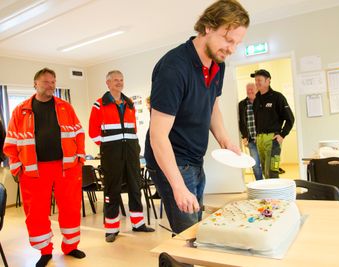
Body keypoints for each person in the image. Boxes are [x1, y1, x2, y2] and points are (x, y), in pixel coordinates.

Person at [144, 0, 249, 234]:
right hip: (170, 158)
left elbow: (212, 107)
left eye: (237, 43)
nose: (232, 49)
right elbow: (158, 137)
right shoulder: (174, 68)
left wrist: (226, 141)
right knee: (190, 234)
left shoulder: (217, 64)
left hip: (194, 157)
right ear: (208, 27)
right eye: (228, 39)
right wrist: (178, 187)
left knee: (195, 227)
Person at [3, 68, 86, 267]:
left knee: (70, 208)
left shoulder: (65, 107)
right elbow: (10, 143)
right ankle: (45, 251)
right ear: (35, 84)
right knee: (36, 213)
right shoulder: (20, 110)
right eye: (46, 81)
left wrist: (80, 159)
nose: (51, 85)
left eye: (53, 81)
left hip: (66, 168)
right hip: (34, 171)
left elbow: (79, 133)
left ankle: (71, 246)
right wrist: (17, 168)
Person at [89, 70, 154, 243]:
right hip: (112, 153)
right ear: (108, 83)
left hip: (131, 151)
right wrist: (108, 147)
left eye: (121, 80)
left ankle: (138, 223)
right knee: (112, 190)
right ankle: (111, 229)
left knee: (135, 186)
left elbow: (133, 129)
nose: (119, 83)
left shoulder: (129, 103)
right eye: (115, 80)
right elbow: (93, 132)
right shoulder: (99, 104)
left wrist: (132, 146)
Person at [251, 69, 295, 179]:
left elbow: (290, 119)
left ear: (268, 81)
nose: (257, 83)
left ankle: (276, 196)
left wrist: (282, 135)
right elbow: (257, 120)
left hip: (272, 139)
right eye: (256, 80)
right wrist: (257, 135)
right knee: (265, 172)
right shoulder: (257, 99)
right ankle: (268, 196)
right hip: (260, 139)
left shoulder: (277, 97)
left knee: (271, 171)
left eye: (259, 80)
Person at [238, 83, 263, 181]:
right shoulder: (242, 104)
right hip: (251, 140)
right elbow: (242, 122)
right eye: (248, 89)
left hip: (263, 138)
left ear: (256, 89)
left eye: (252, 89)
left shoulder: (261, 102)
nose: (250, 91)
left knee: (266, 164)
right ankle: (260, 184)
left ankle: (269, 185)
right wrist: (244, 136)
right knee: (255, 164)